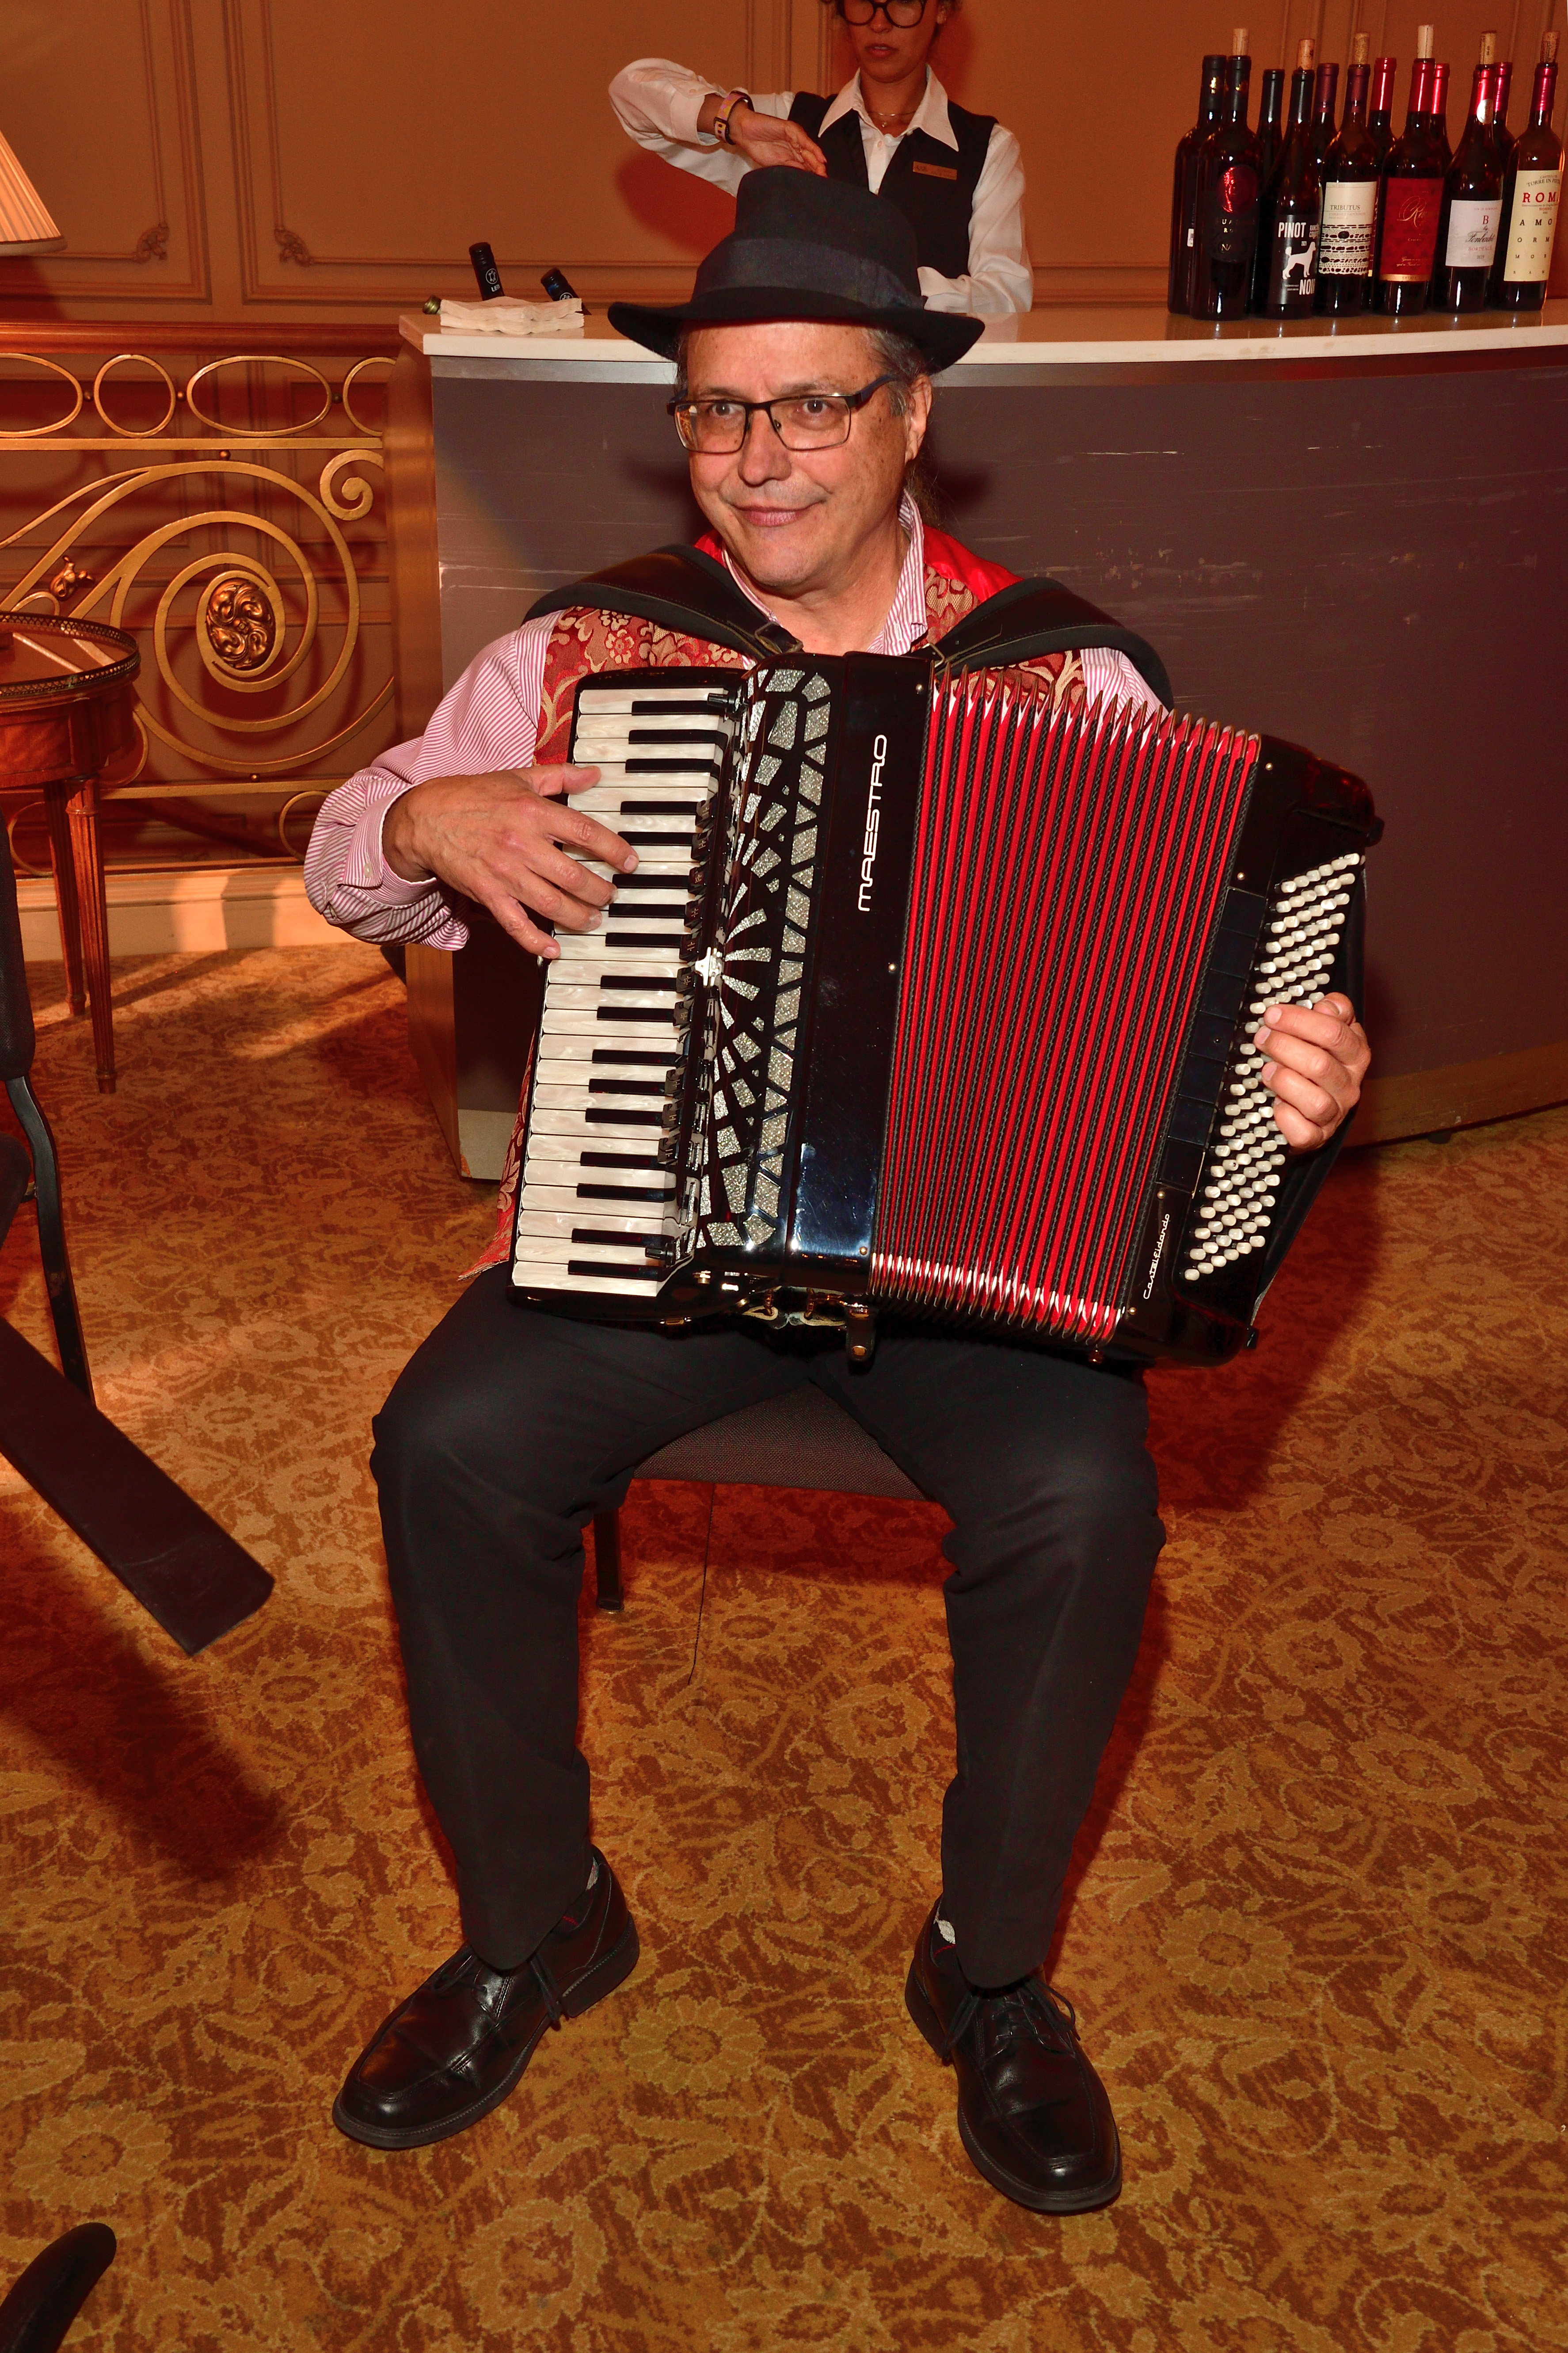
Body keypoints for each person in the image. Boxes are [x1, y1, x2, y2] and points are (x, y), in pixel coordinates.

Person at [304, 170, 1370, 2213]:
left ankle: (992, 1976)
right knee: (444, 1435)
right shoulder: (587, 654)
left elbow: (1215, 1031)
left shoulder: (1067, 683)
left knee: (1084, 1494)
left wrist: (1293, 1082)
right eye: (719, 411)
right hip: (651, 1226)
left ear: (909, 422)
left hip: (969, 1278)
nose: (759, 456)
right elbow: (344, 843)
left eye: (809, 406)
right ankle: (534, 1925)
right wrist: (427, 817)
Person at [610, 0, 1031, 317]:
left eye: (902, 0)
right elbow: (631, 91)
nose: (879, 22)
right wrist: (735, 122)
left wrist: (886, 287)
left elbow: (1007, 295)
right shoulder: (786, 125)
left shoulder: (988, 148)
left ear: (941, 9)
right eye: (863, 1)